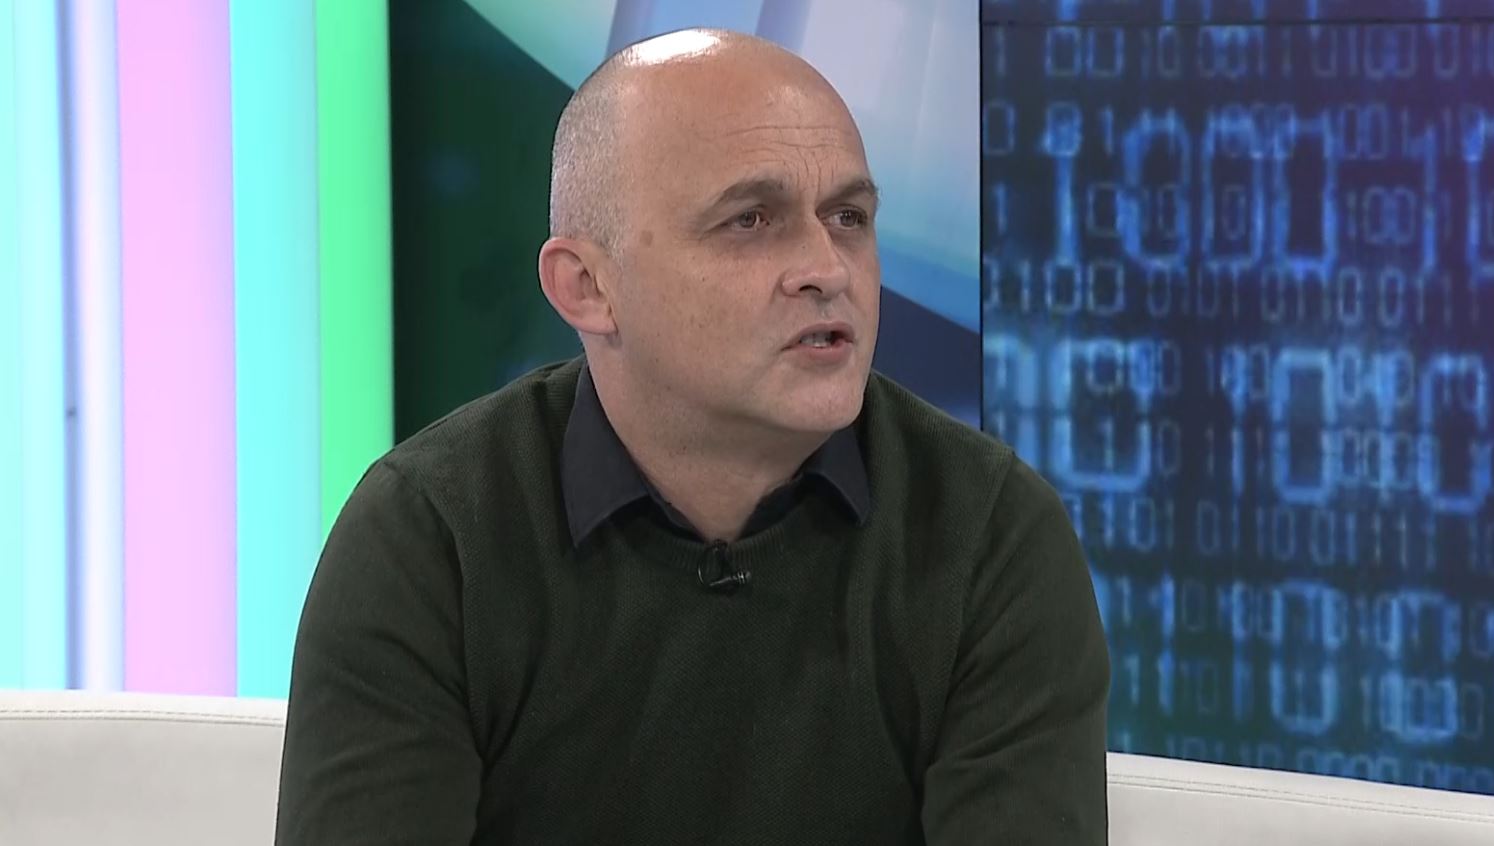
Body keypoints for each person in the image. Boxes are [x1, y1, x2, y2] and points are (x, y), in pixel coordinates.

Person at [273, 28, 1110, 845]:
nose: (828, 268)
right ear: (587, 286)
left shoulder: (989, 535)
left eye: (849, 217)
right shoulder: (433, 536)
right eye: (751, 220)